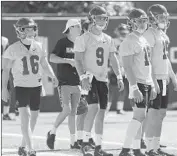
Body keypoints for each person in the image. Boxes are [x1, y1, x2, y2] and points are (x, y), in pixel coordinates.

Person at [2, 17, 58, 156]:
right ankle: (31, 149)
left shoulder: (38, 46)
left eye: (32, 28)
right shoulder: (12, 48)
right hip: (21, 86)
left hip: (36, 85)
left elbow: (44, 64)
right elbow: (6, 70)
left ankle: (22, 146)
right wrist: (3, 88)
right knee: (24, 117)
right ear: (19, 30)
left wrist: (53, 76)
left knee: (34, 117)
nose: (30, 31)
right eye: (26, 28)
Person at [74, 5, 124, 156]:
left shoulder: (108, 39)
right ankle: (85, 142)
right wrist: (82, 77)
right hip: (89, 78)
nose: (103, 20)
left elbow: (113, 58)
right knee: (93, 108)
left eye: (105, 18)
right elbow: (77, 60)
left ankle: (98, 147)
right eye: (100, 18)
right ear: (92, 19)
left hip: (103, 79)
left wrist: (119, 75)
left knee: (102, 112)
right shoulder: (83, 38)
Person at [118, 8, 157, 156]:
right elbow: (127, 67)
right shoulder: (129, 41)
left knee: (141, 117)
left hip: (146, 82)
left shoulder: (144, 39)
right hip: (138, 83)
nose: (142, 23)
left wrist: (152, 84)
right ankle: (125, 149)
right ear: (131, 23)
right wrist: (134, 87)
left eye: (144, 20)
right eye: (139, 21)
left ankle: (135, 149)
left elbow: (148, 64)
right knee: (139, 116)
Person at [143, 4, 177, 156]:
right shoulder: (149, 34)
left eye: (165, 16)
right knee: (153, 114)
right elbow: (147, 60)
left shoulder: (162, 34)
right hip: (155, 78)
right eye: (161, 17)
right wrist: (153, 80)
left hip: (164, 79)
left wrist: (173, 76)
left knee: (161, 114)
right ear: (152, 18)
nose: (164, 19)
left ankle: (155, 146)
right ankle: (150, 147)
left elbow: (166, 59)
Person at [46, 19, 82, 150]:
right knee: (67, 110)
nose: (80, 28)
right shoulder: (62, 42)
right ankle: (52, 131)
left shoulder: (81, 42)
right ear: (71, 28)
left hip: (77, 83)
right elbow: (51, 58)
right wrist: (67, 60)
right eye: (78, 26)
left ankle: (73, 142)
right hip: (64, 82)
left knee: (73, 113)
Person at [76, 19, 96, 149]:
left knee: (93, 109)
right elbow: (79, 61)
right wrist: (83, 77)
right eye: (90, 27)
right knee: (83, 109)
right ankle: (80, 138)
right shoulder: (81, 40)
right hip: (84, 77)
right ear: (84, 29)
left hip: (95, 77)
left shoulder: (98, 40)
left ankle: (87, 136)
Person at [107, 23, 130, 115]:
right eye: (122, 32)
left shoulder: (128, 42)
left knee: (123, 90)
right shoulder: (113, 41)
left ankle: (119, 108)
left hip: (124, 68)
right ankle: (106, 108)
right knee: (111, 89)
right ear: (118, 32)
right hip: (114, 68)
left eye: (125, 32)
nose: (123, 34)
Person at [1, 36, 14, 120]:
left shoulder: (4, 40)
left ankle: (6, 113)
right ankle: (5, 114)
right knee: (7, 90)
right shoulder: (4, 40)